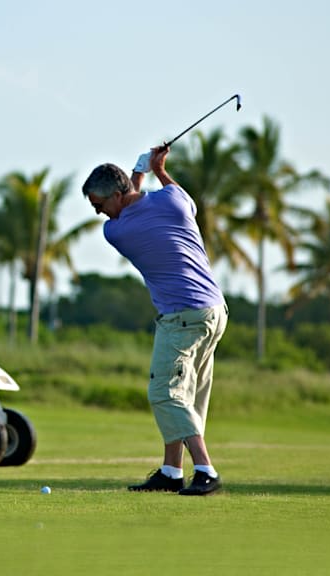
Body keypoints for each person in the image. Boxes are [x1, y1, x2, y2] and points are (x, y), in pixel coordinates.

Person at [82, 146, 228, 496]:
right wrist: (158, 169)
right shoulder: (174, 201)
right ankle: (171, 471)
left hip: (181, 316)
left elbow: (129, 210)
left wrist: (140, 171)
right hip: (213, 311)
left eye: (99, 204)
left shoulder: (116, 232)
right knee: (187, 395)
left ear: (116, 196)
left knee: (165, 392)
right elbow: (163, 198)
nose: (99, 213)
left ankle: (206, 470)